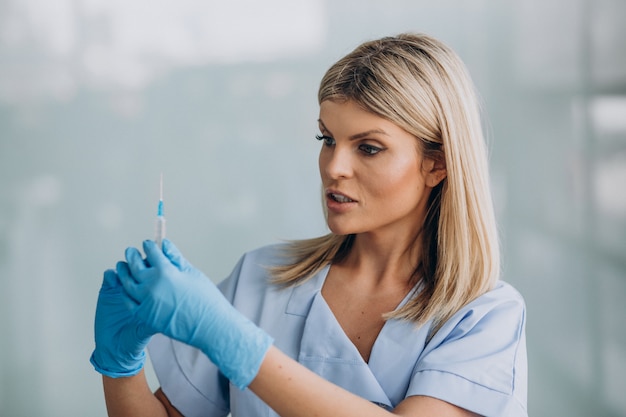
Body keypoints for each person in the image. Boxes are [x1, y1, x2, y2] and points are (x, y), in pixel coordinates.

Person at [90, 33, 528, 417]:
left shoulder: (482, 316)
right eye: (327, 139)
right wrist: (120, 364)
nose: (334, 166)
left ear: (436, 163)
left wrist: (232, 341)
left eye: (369, 148)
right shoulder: (260, 279)